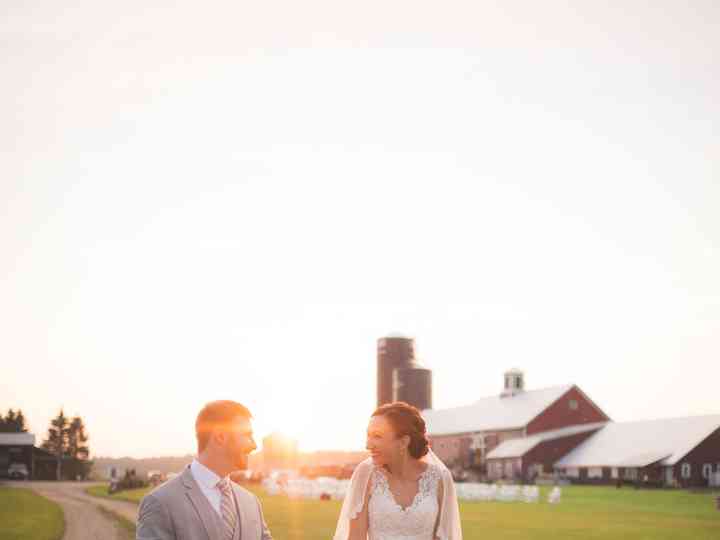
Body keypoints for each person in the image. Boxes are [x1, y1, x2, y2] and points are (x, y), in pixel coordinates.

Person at [136, 400, 272, 540]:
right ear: (220, 437)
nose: (254, 445)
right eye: (247, 435)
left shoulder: (251, 503)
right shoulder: (160, 503)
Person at [334, 402, 462, 540]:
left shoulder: (439, 478)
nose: (368, 445)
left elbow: (444, 536)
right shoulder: (365, 474)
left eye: (377, 436)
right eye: (368, 436)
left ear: (403, 442)